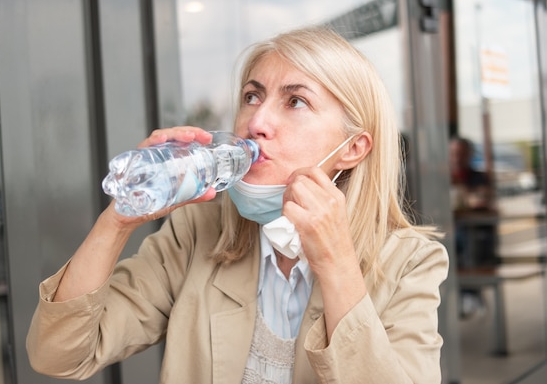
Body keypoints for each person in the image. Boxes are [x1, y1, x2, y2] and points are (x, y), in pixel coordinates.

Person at [26, 26, 449, 383]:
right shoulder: (197, 230)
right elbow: (59, 354)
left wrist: (337, 262)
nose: (257, 122)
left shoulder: (411, 262)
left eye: (295, 101)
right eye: (252, 96)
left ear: (352, 148)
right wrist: (119, 219)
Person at [449, 136, 498, 316]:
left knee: (469, 242)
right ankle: (466, 294)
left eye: (461, 154)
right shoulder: (440, 178)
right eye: (453, 154)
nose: (456, 158)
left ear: (469, 155)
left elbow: (483, 200)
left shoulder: (479, 177)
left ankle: (469, 293)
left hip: (474, 232)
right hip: (452, 232)